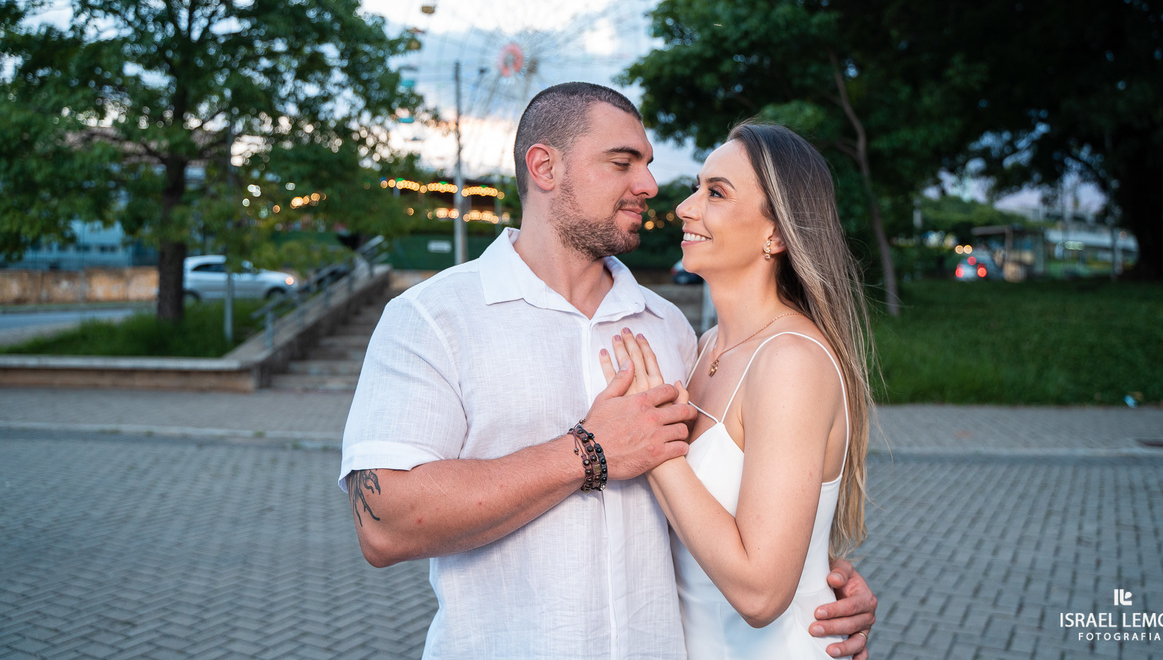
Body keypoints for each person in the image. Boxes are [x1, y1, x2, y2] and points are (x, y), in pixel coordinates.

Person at [339, 83, 876, 659]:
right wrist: (589, 451)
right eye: (623, 163)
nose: (651, 187)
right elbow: (383, 526)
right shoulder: (433, 318)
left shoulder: (673, 332)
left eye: (648, 165)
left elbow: (748, 523)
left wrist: (816, 571)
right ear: (545, 167)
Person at [600, 122, 876, 658]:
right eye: (698, 186)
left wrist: (651, 448)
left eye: (716, 193)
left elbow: (762, 593)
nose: (685, 205)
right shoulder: (703, 347)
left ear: (776, 234)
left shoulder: (789, 360)